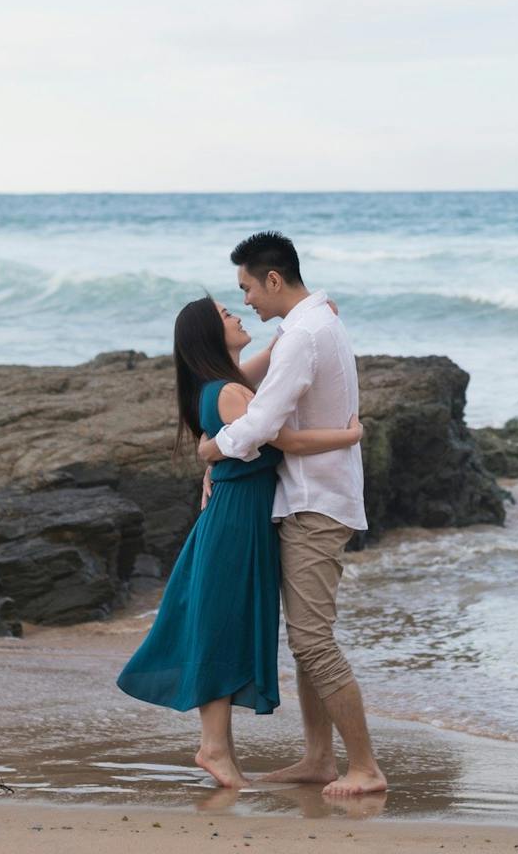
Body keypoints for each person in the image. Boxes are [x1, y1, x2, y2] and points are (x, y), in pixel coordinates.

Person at [116, 296, 362, 789]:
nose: (237, 313)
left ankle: (220, 748)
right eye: (226, 314)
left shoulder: (226, 384)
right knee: (221, 626)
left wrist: (310, 314)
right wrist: (350, 435)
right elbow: (284, 442)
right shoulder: (230, 392)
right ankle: (213, 747)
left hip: (241, 516)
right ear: (211, 334)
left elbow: (271, 360)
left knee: (225, 623)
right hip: (236, 521)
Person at [197, 231, 388, 797]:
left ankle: (365, 767)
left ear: (274, 280)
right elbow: (265, 379)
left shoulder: (305, 333)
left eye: (248, 288)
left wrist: (211, 450)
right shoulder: (310, 324)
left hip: (315, 503)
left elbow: (261, 424)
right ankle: (318, 759)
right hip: (312, 497)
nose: (247, 300)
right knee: (309, 640)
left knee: (312, 641)